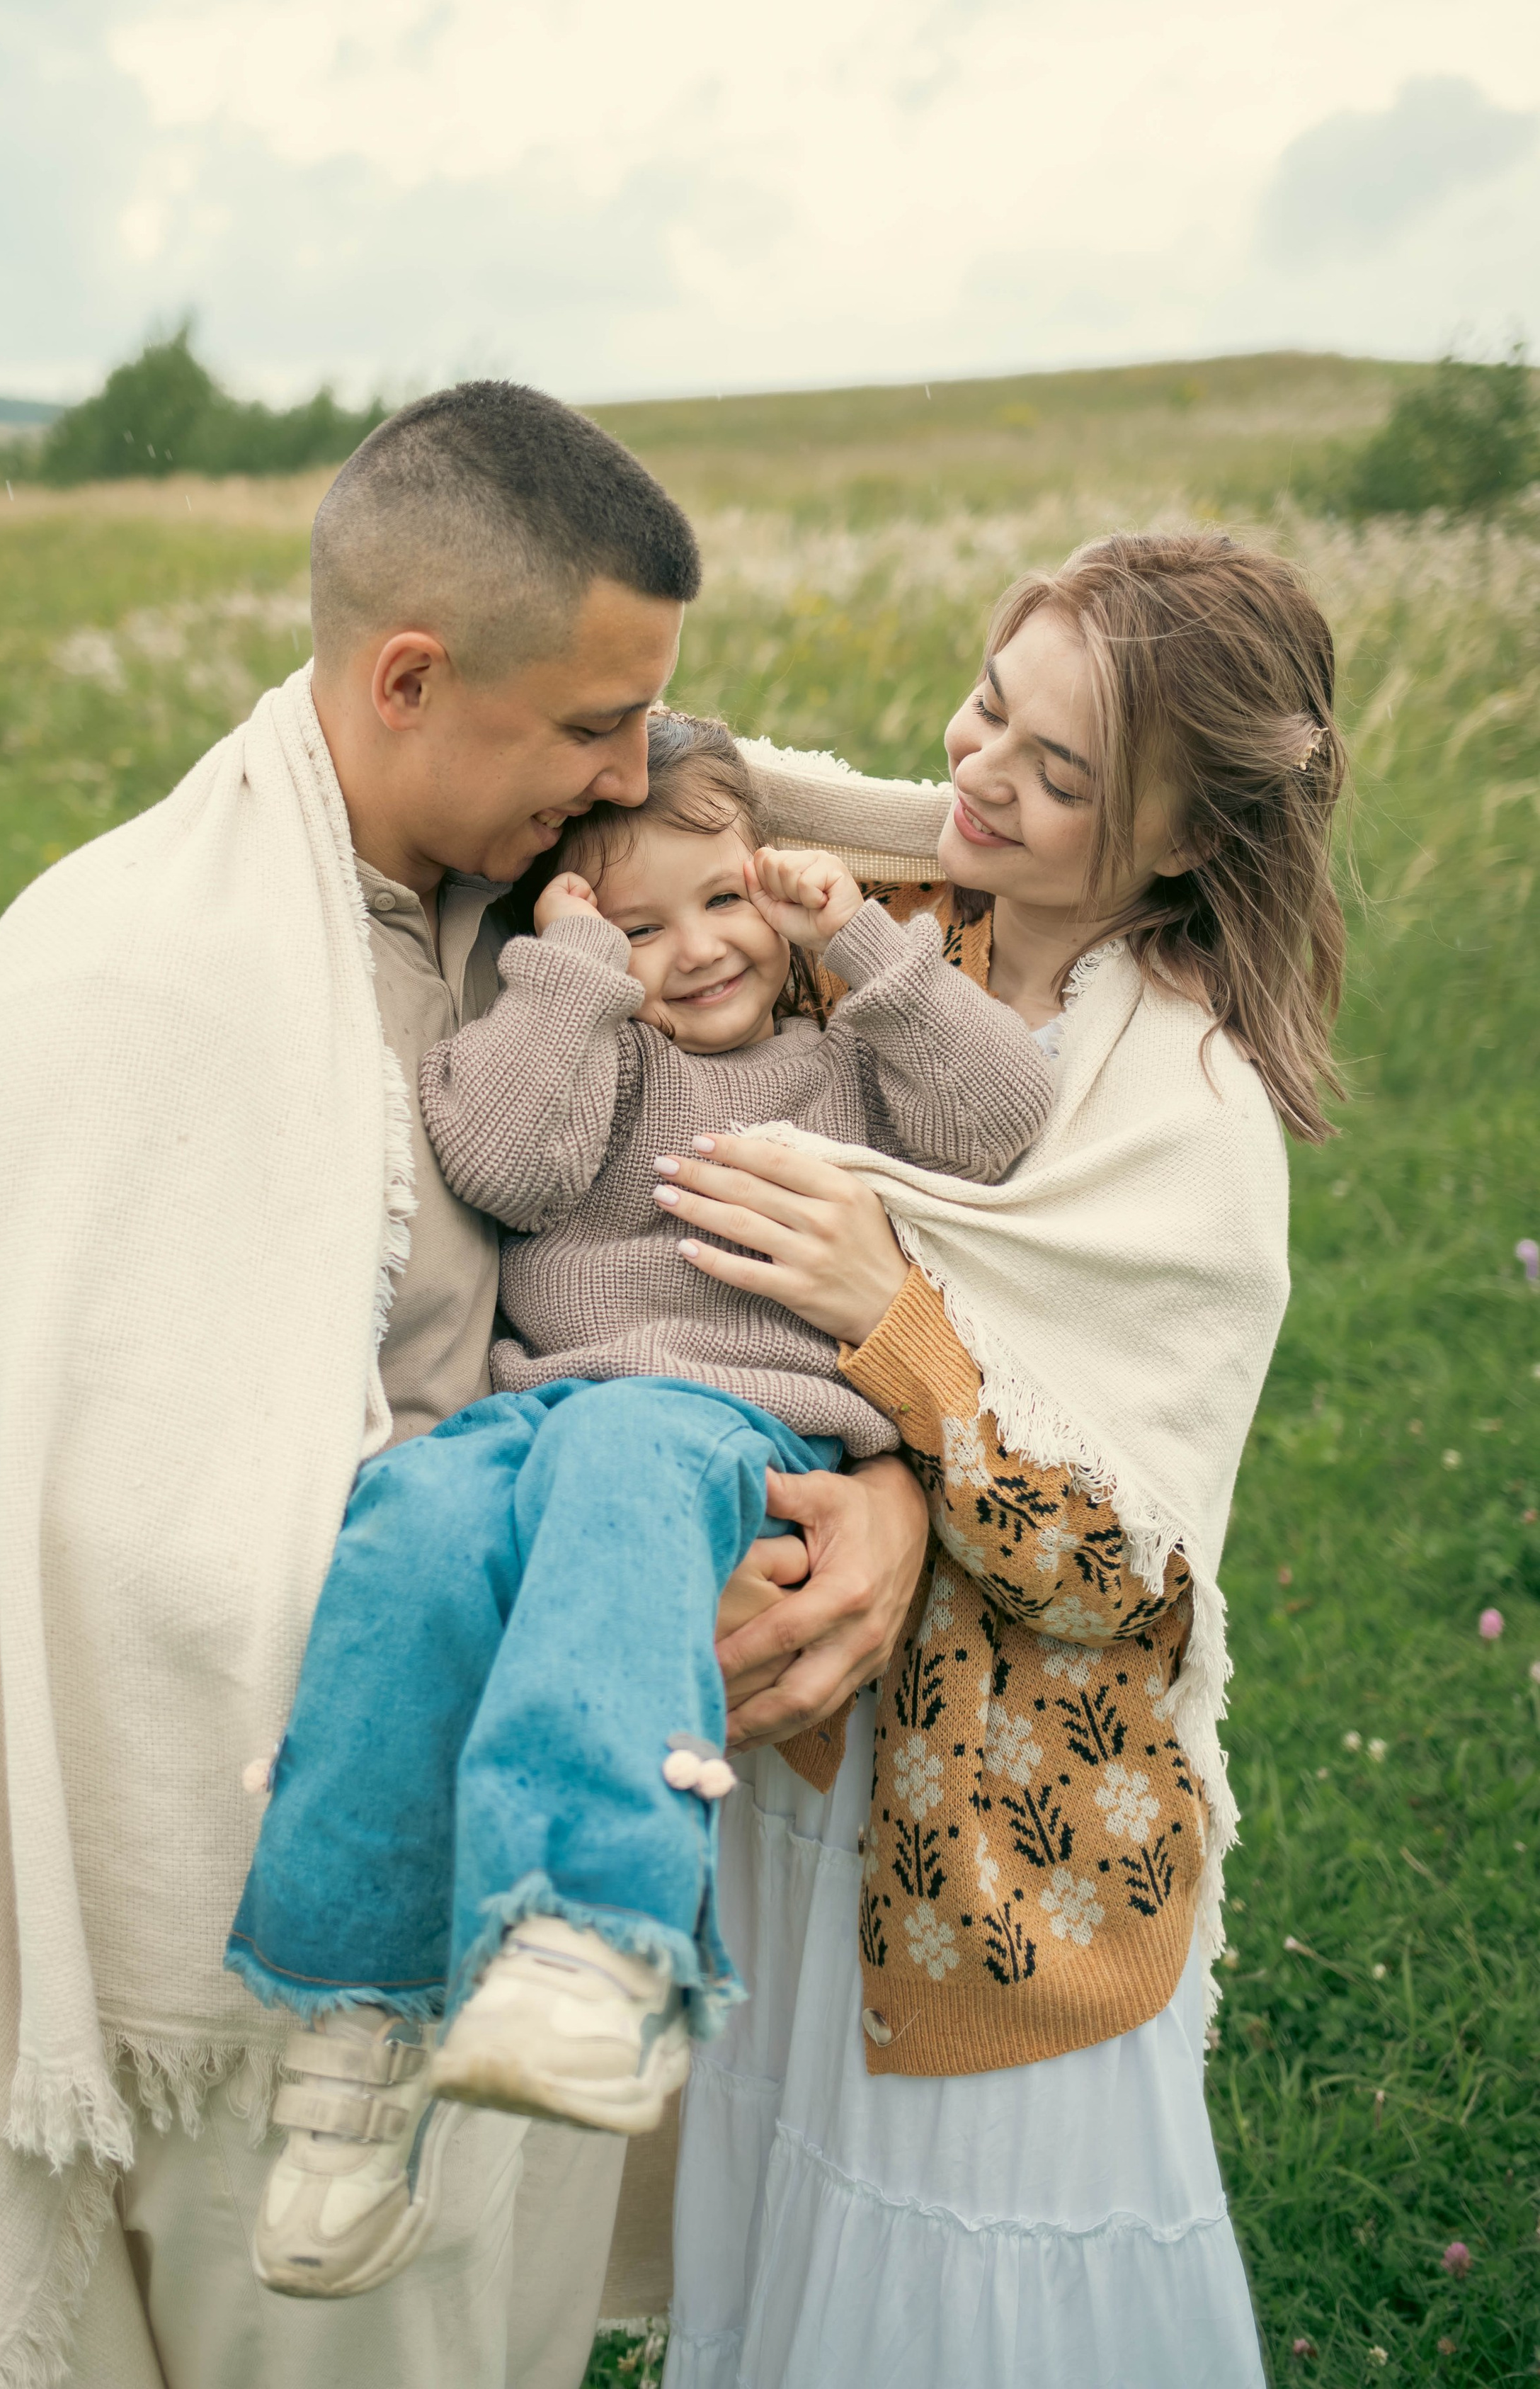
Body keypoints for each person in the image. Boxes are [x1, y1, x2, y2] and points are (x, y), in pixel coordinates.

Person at [0, 380, 933, 2389]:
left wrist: (869, 1492)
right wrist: (615, 1583)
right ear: (403, 678)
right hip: (273, 1913)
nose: (638, 778)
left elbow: (809, 812)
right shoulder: (137, 984)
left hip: (519, 1803)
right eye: (586, 730)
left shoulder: (523, 905)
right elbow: (150, 1558)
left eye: (656, 723)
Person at [223, 712, 1053, 2298]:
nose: (692, 953)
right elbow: (503, 1163)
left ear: (774, 888)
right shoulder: (583, 1053)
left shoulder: (840, 1064)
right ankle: (350, 2050)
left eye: (722, 901)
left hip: (734, 1430)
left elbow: (996, 1117)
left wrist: (857, 940)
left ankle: (593, 1933)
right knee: (407, 1529)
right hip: (544, 1416)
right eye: (638, 924)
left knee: (616, 1458)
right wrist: (571, 977)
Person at [658, 531, 1347, 2389]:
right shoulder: (906, 930)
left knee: (976, 2300)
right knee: (803, 2258)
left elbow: (1114, 1555)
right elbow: (688, 784)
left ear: (1185, 839)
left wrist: (893, 1308)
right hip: (824, 1775)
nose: (982, 779)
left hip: (1009, 1852)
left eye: (1062, 777)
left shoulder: (1190, 1121)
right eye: (985, 708)